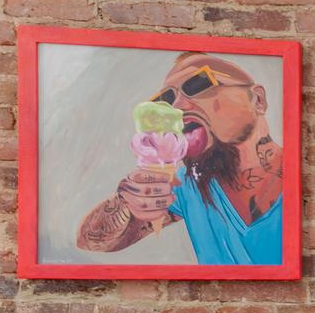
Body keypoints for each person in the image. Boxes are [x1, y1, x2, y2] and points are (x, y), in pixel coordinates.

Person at [77, 52, 285, 265]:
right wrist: (126, 198)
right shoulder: (186, 184)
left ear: (257, 100)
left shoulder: (304, 177)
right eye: (165, 100)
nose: (176, 107)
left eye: (198, 84)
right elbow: (92, 241)